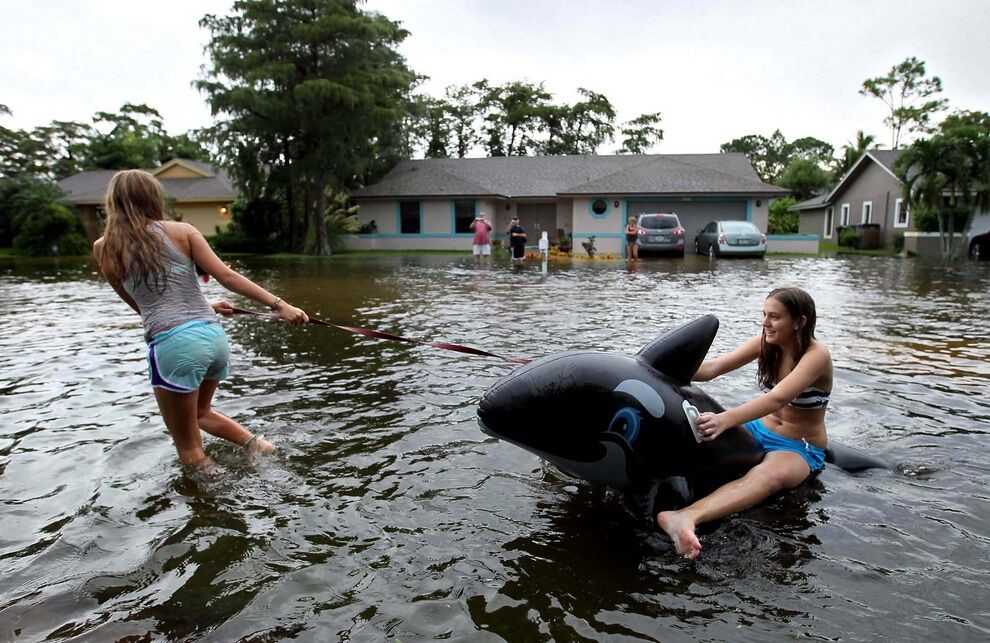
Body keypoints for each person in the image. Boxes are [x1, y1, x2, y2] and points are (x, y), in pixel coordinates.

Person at [92, 169, 309, 471]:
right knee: (201, 412)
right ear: (153, 197)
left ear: (113, 202)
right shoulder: (182, 231)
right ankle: (258, 444)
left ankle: (213, 507)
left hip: (173, 345)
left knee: (191, 451)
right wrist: (280, 305)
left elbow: (142, 305)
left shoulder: (104, 247)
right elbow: (227, 277)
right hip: (212, 337)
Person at [657, 287, 832, 559]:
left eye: (774, 317)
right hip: (758, 429)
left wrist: (724, 420)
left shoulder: (816, 355)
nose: (765, 323)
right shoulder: (766, 343)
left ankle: (685, 517)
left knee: (767, 478)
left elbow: (778, 398)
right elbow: (713, 368)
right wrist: (666, 366)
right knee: (695, 436)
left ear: (799, 322)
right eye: (764, 315)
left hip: (798, 447)